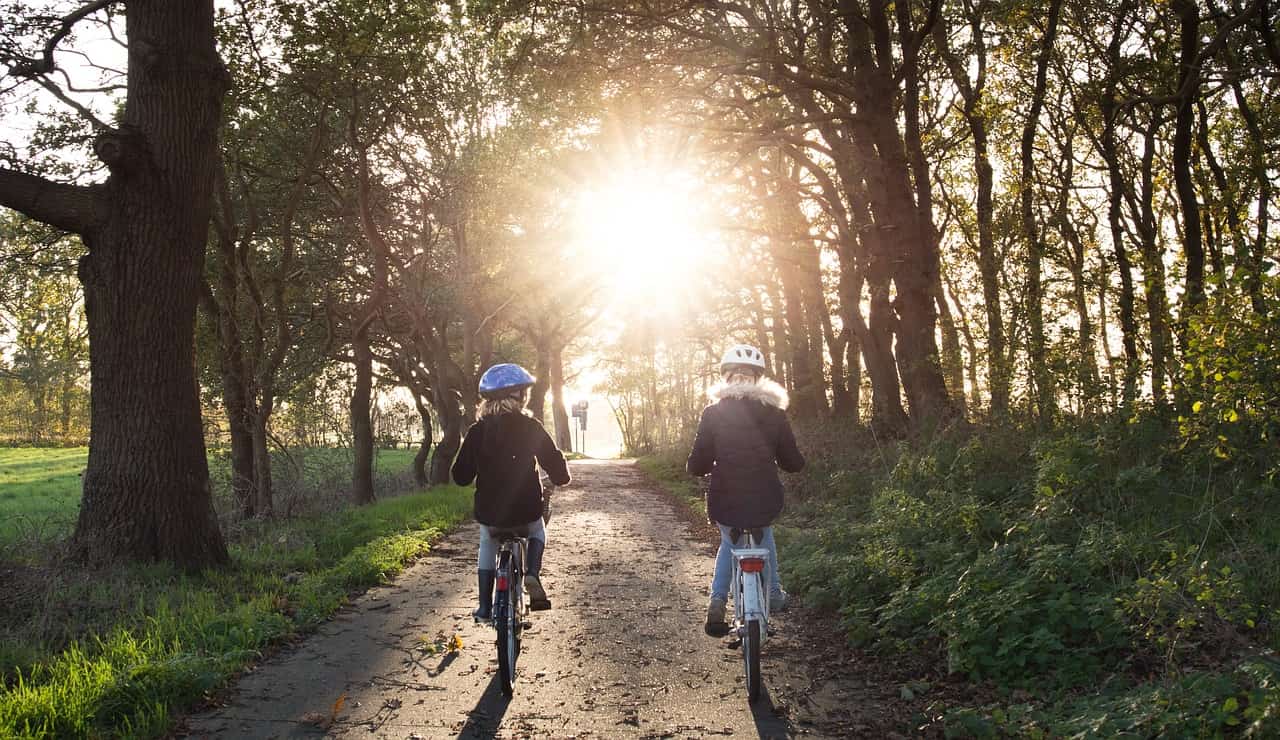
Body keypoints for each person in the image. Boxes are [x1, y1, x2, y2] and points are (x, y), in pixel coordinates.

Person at [686, 344, 805, 637]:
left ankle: (717, 601)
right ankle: (774, 591)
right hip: (765, 494)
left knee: (729, 540)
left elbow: (698, 462)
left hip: (725, 497)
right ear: (758, 378)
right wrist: (792, 462)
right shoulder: (775, 413)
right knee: (764, 531)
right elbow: (792, 461)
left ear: (727, 378)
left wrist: (697, 467)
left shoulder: (713, 413)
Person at [452, 363, 571, 621]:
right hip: (526, 510)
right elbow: (555, 464)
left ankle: (484, 606)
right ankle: (532, 574)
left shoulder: (477, 432)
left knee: (487, 540)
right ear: (520, 395)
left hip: (490, 513)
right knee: (537, 530)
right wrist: (560, 477)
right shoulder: (531, 427)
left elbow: (460, 477)